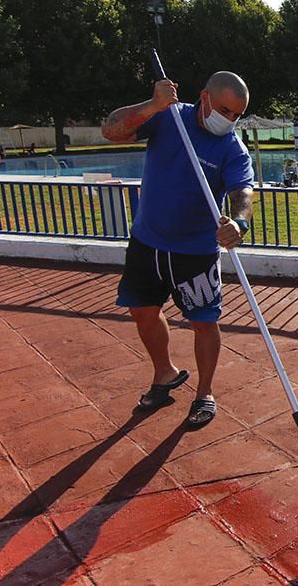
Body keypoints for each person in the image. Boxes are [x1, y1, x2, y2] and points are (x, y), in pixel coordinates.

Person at [101, 72, 254, 427]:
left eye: (237, 115)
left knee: (203, 321)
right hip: (147, 242)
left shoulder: (231, 147)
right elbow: (111, 130)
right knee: (141, 310)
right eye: (224, 110)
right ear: (204, 97)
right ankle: (165, 374)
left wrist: (239, 222)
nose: (229, 120)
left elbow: (242, 192)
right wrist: (152, 104)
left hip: (195, 251)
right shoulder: (168, 117)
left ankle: (205, 393)